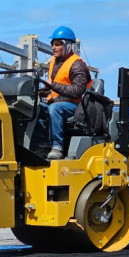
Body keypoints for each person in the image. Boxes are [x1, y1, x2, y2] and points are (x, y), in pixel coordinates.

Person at [41, 26, 92, 159]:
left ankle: (57, 147)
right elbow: (52, 87)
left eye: (57, 44)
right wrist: (40, 91)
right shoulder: (54, 62)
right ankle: (40, 145)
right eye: (52, 44)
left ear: (68, 45)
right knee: (35, 108)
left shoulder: (77, 64)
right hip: (57, 101)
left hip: (73, 105)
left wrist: (54, 86)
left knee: (54, 109)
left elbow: (78, 91)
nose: (53, 47)